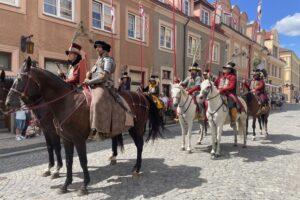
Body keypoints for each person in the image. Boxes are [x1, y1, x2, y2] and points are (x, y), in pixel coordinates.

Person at [85, 40, 129, 140]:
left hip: (103, 86)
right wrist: (88, 75)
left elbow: (104, 76)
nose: (96, 49)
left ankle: (100, 130)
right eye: (96, 47)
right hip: (93, 86)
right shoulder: (98, 62)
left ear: (104, 49)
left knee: (96, 102)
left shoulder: (108, 60)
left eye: (99, 47)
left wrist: (90, 81)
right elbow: (93, 74)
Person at [214, 62, 242, 128]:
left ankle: (233, 119)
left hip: (229, 93)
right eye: (224, 68)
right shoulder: (220, 77)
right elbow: (215, 83)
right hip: (219, 92)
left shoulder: (233, 77)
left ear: (229, 70)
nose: (224, 70)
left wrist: (223, 89)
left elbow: (231, 86)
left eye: (226, 68)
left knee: (232, 104)